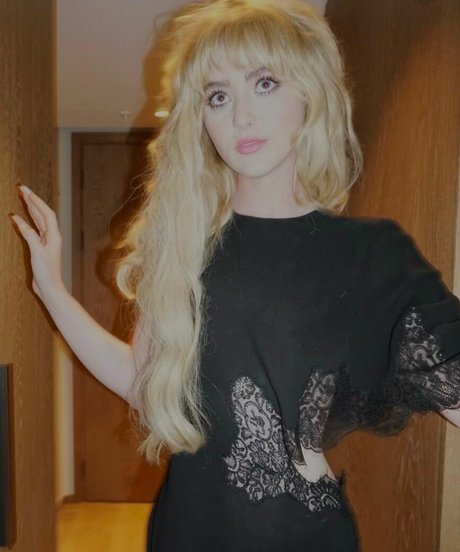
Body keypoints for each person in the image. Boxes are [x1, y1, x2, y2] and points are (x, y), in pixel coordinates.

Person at [10, 0, 460, 550]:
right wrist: (51, 290)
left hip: (300, 535)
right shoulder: (185, 245)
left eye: (264, 84)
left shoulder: (373, 255)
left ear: (311, 94)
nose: (241, 116)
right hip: (183, 528)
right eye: (218, 96)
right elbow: (142, 381)